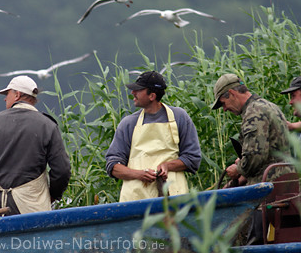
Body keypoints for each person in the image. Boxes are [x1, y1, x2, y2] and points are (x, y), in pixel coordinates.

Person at [0, 75, 71, 215]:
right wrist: (53, 195)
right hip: (28, 207)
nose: (5, 98)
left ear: (17, 95)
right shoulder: (47, 125)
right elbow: (62, 170)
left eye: (8, 94)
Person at [212, 73, 292, 245]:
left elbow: (255, 158)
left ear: (232, 93)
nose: (224, 109)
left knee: (256, 243)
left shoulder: (253, 114)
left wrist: (238, 169)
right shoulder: (270, 106)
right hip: (286, 187)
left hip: (266, 192)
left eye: (223, 104)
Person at [105, 71, 201, 202]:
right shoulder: (128, 123)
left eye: (138, 90)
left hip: (174, 197)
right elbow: (113, 166)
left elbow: (193, 158)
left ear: (152, 96)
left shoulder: (179, 117)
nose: (133, 93)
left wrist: (168, 166)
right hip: (135, 201)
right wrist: (139, 174)